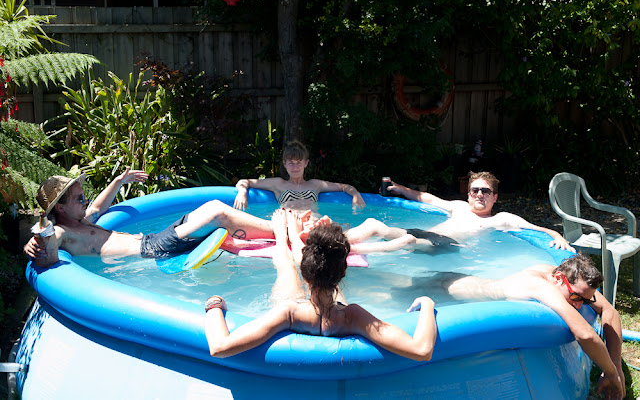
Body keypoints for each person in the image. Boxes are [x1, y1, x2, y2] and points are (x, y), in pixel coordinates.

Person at [23, 169, 417, 265]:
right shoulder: (62, 231)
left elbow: (100, 206)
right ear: (60, 208)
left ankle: (315, 238)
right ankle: (288, 229)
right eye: (77, 197)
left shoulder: (84, 220)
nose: (85, 200)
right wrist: (35, 244)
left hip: (157, 240)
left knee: (232, 230)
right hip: (150, 250)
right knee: (216, 210)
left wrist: (121, 180)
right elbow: (48, 242)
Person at [204, 209, 438, 361]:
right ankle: (293, 237)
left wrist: (214, 304)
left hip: (300, 309)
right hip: (336, 310)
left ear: (306, 275)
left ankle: (283, 235)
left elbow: (220, 347)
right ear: (343, 273)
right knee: (325, 284)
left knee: (285, 268)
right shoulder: (353, 316)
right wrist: (427, 304)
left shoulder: (288, 312)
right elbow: (422, 350)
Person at [442, 253, 625, 399]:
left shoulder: (567, 280)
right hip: (447, 289)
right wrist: (611, 373)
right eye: (576, 297)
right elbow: (585, 334)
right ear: (559, 278)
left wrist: (616, 364)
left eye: (586, 301)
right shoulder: (539, 285)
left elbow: (609, 311)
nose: (579, 306)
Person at [386, 171, 575, 251]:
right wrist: (401, 189)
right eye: (475, 190)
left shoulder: (501, 219)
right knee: (375, 226)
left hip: (443, 246)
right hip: (424, 235)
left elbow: (540, 230)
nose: (479, 194)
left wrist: (559, 237)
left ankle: (366, 252)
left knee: (407, 241)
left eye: (485, 191)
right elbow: (427, 198)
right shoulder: (459, 207)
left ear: (495, 197)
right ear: (468, 195)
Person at [234, 140, 366, 211]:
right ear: (285, 164)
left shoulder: (315, 184)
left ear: (305, 163)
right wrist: (242, 192)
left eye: (298, 163)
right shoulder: (278, 183)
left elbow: (344, 187)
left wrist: (355, 194)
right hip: (289, 223)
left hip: (312, 223)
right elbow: (244, 182)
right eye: (291, 163)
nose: (295, 167)